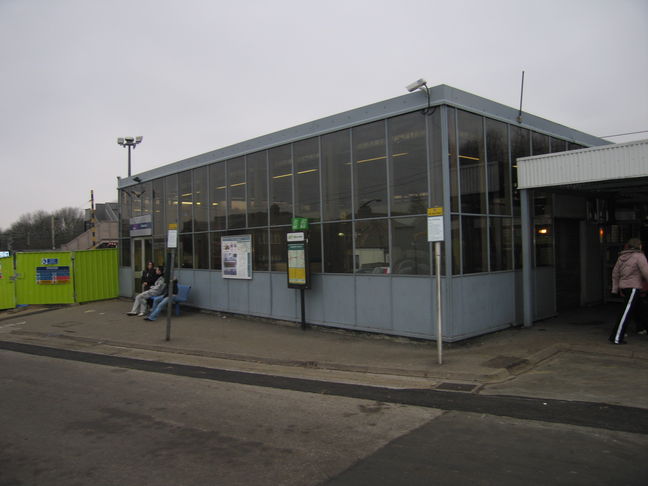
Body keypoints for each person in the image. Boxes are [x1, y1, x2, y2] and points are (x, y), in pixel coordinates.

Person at [609, 238, 648, 344]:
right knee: (626, 313)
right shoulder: (639, 256)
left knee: (641, 309)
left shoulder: (622, 257)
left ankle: (641, 328)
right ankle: (616, 337)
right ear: (639, 246)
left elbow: (615, 273)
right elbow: (646, 272)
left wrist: (615, 289)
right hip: (634, 287)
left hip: (625, 287)